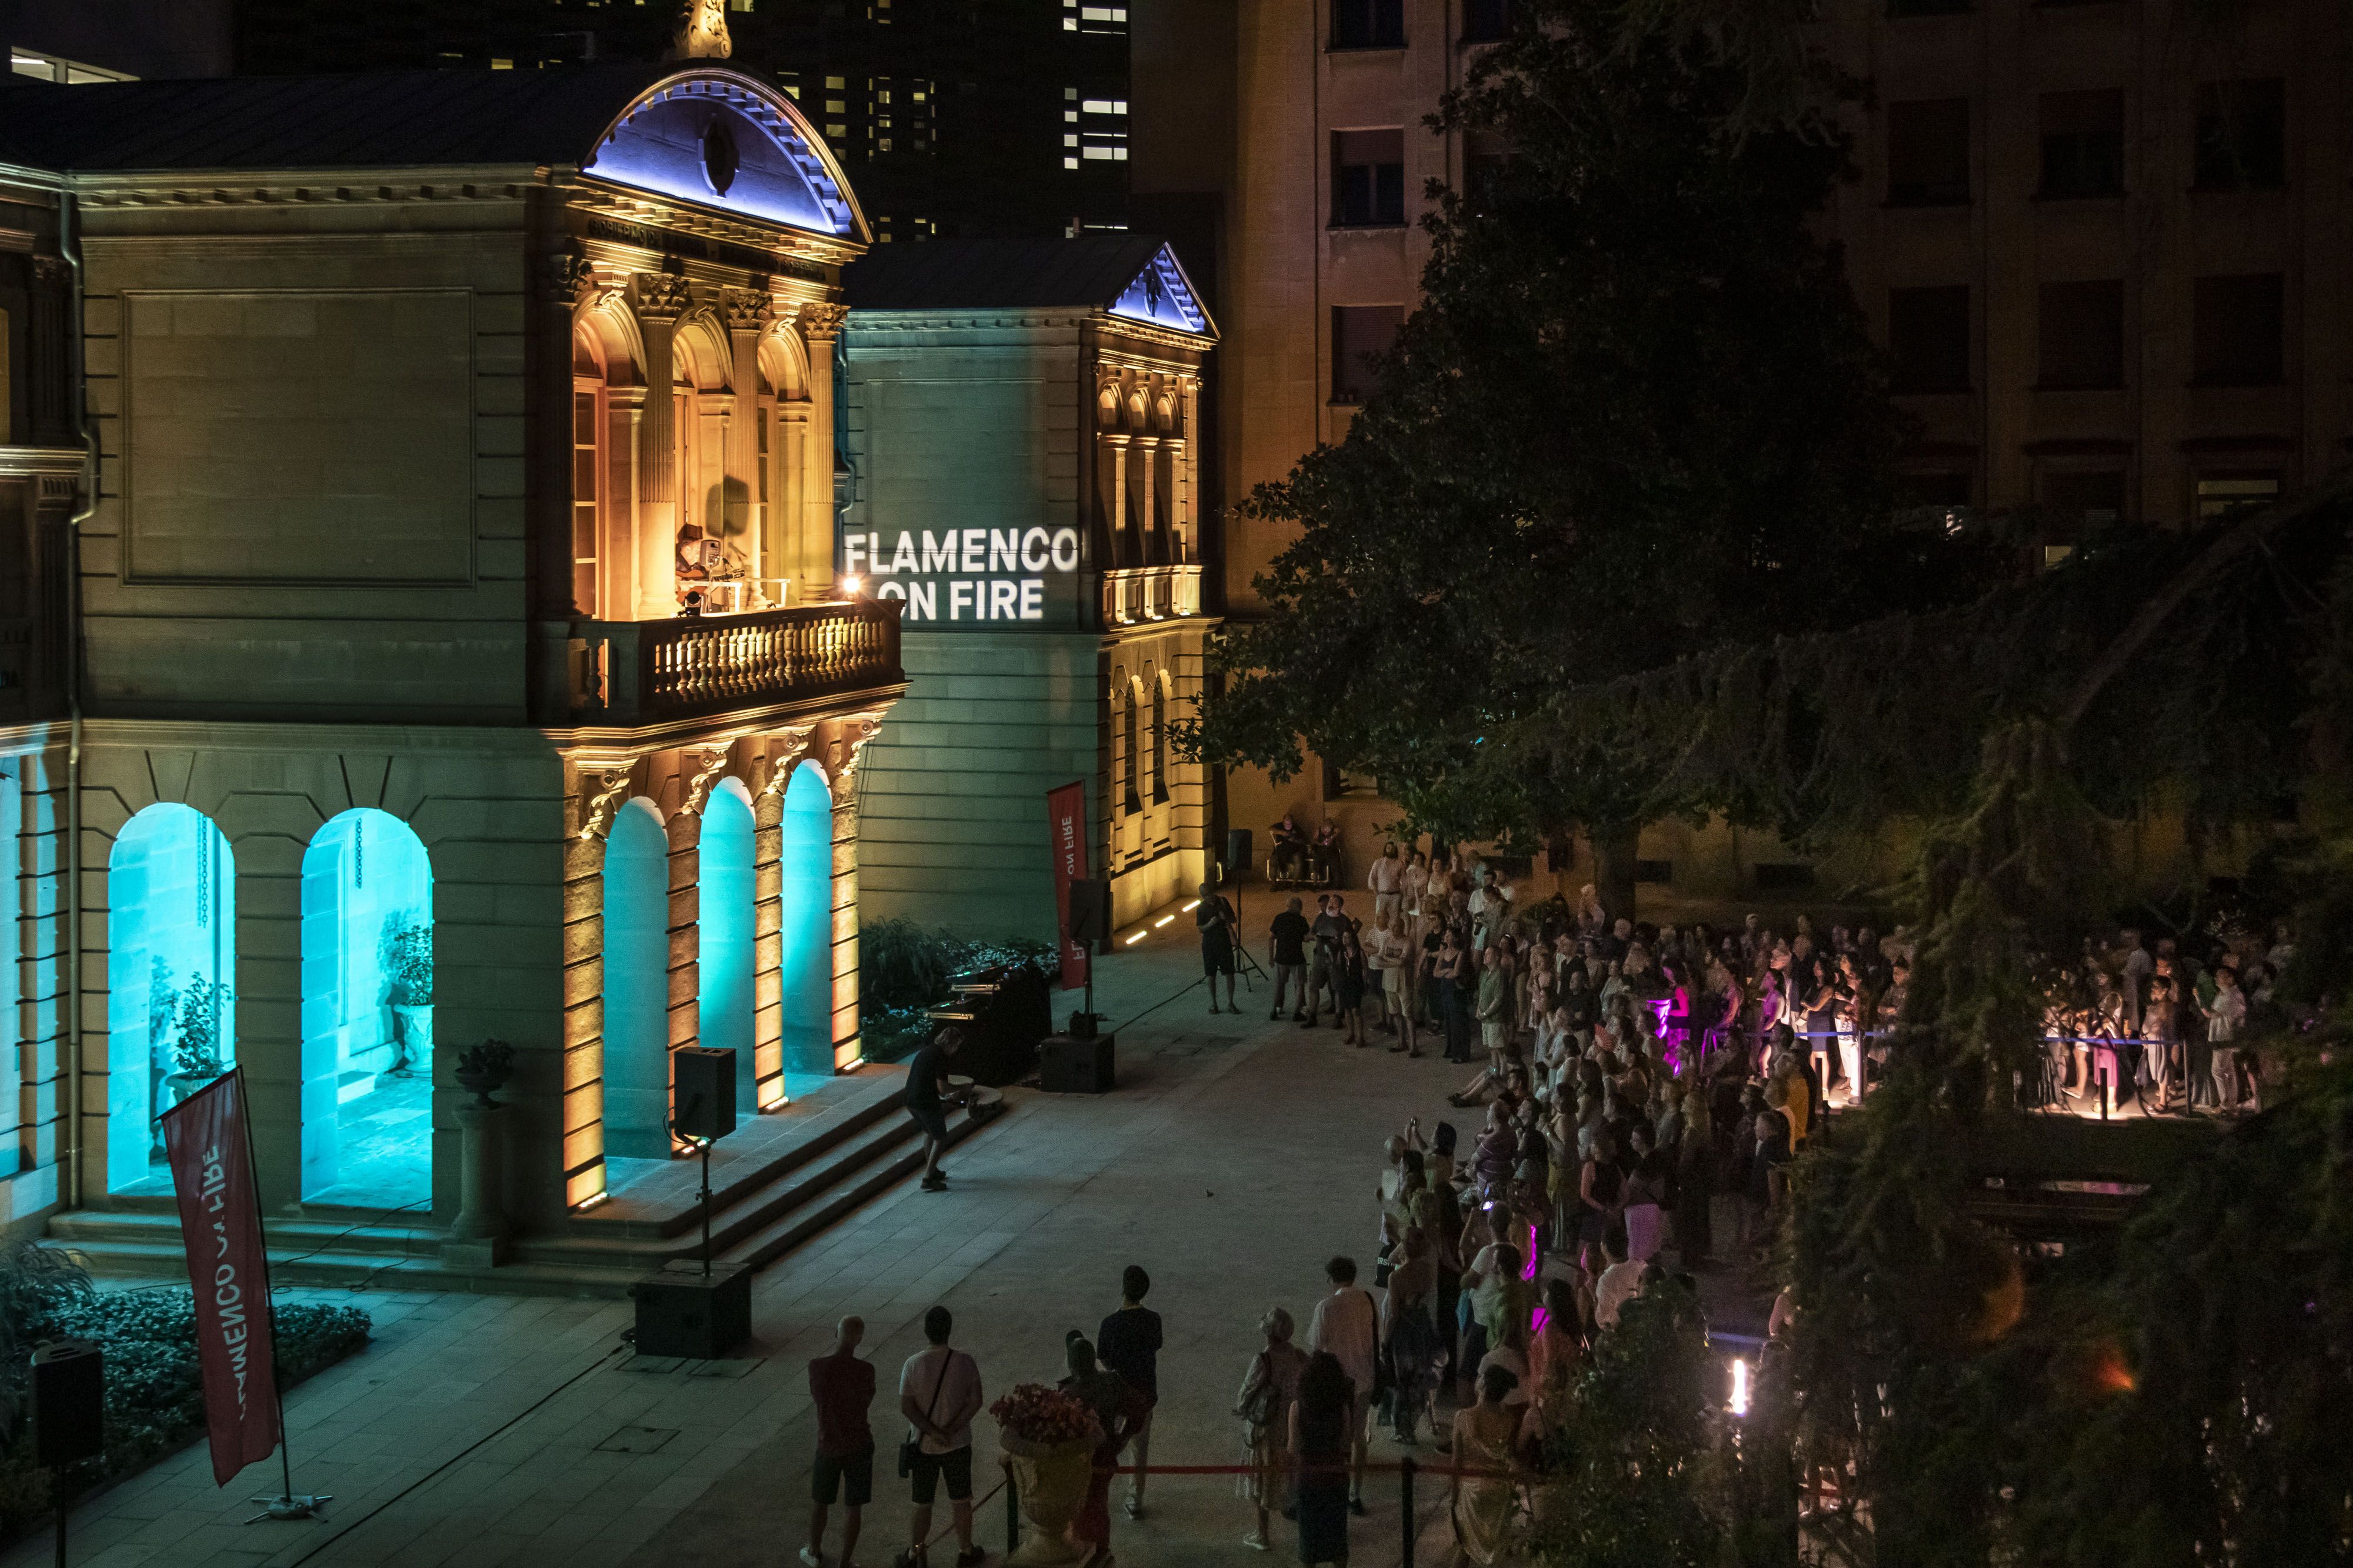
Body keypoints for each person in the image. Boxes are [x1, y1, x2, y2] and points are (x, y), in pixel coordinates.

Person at [896, 1306, 984, 1568]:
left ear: (926, 1331)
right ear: (949, 1330)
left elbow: (907, 1406)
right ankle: (965, 1551)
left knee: (922, 1503)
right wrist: (951, 1430)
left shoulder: (913, 1364)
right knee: (961, 1500)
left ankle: (915, 1553)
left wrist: (933, 1432)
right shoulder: (965, 1362)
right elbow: (976, 1401)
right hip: (959, 1444)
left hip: (924, 1445)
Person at [1305, 1256, 1379, 1514]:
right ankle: (1355, 1493)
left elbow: (1316, 1345)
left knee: (1336, 1438)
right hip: (1365, 1377)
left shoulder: (1326, 1307)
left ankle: (1335, 1488)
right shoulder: (1368, 1300)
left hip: (1336, 1382)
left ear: (1331, 1280)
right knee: (1358, 1436)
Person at [1237, 1307, 1310, 1552]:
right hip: (1290, 1424)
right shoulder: (1298, 1356)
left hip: (1266, 1427)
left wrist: (1241, 1409)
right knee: (1290, 1475)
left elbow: (1246, 1393)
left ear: (1268, 1334)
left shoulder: (1263, 1360)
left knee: (1262, 1479)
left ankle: (1262, 1534)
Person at [806, 1316, 875, 1568]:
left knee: (821, 1501)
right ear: (859, 1340)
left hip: (829, 1444)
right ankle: (845, 1562)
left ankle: (814, 1552)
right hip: (859, 1443)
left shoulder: (817, 1367)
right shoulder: (866, 1371)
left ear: (836, 1335)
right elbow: (866, 1401)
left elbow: (819, 1399)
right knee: (853, 1506)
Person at [1058, 1333, 1134, 1556]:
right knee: (1099, 1503)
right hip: (1106, 1456)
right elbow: (1136, 1411)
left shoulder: (1069, 1394)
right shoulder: (1112, 1382)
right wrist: (1121, 1439)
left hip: (1079, 1462)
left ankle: (1085, 1551)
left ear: (1072, 1365)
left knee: (1080, 1507)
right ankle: (1101, 1550)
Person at [1096, 1265, 1164, 1519]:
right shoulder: (1153, 1320)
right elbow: (1155, 1345)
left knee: (1108, 1447)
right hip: (1144, 1396)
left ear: (1123, 1288)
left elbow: (1103, 1358)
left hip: (1118, 1398)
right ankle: (1135, 1499)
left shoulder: (1109, 1324)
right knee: (1140, 1449)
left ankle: (1098, 1491)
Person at [1448, 1363, 1522, 1567]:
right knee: (1494, 1550)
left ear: (1483, 1385)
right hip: (1499, 1491)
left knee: (1464, 1546)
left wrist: (1454, 1496)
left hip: (1471, 1491)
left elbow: (1456, 1461)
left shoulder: (1464, 1417)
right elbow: (1509, 1456)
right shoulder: (1509, 1421)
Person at [1291, 1352, 1357, 1567]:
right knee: (1338, 1536)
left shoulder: (1297, 1408)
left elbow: (1293, 1447)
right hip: (1336, 1477)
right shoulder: (1342, 1408)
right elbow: (1346, 1443)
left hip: (1308, 1479)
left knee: (1309, 1539)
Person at [1381, 1226, 1440, 1445]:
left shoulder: (1397, 1277)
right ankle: (1417, 1420)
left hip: (1404, 1331)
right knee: (1419, 1375)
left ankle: (1403, 1429)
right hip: (1422, 1327)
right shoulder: (1427, 1271)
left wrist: (1385, 1340)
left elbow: (1394, 1314)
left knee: (1402, 1379)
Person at [905, 1027, 967, 1193]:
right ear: (950, 1043)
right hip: (926, 1102)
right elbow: (943, 1089)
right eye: (956, 1046)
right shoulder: (940, 1057)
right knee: (940, 1138)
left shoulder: (926, 1052)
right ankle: (928, 1178)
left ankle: (933, 1170)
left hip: (910, 1099)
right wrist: (962, 1088)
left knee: (929, 1133)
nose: (956, 1050)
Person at [1306, 895, 1350, 1028]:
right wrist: (1315, 937)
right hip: (1319, 957)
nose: (1331, 903)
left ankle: (1338, 1017)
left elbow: (1350, 940)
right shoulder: (1321, 917)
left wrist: (1338, 941)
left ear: (1340, 906)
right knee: (1313, 986)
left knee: (1337, 988)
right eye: (1330, 901)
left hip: (1335, 959)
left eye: (1334, 902)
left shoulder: (1344, 921)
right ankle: (1312, 1016)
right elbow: (1311, 933)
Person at [1197, 880, 1239, 1013]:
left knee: (1229, 973)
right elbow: (1201, 929)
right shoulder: (1201, 908)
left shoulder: (1222, 901)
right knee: (1211, 974)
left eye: (1209, 894)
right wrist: (1210, 924)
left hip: (1224, 942)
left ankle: (1231, 1003)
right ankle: (1214, 1004)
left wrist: (1225, 917)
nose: (1208, 897)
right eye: (1205, 895)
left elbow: (1233, 920)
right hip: (1209, 944)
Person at [1592, 1230, 1647, 1330]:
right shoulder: (1642, 1266)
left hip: (1623, 1332)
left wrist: (1594, 1297)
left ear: (1603, 1246)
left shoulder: (1606, 1280)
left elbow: (1604, 1323)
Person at [1270, 897, 1311, 1021]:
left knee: (1279, 985)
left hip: (1281, 957)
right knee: (1299, 985)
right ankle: (1297, 1012)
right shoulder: (1301, 920)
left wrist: (1271, 957)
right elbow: (1306, 937)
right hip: (1297, 957)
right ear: (1298, 907)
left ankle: (1274, 1010)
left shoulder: (1279, 918)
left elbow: (1271, 938)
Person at [1337, 928, 1369, 1047]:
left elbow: (1365, 969)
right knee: (1347, 1009)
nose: (1345, 939)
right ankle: (1351, 1034)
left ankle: (1360, 1037)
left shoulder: (1359, 952)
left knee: (1356, 1010)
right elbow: (1338, 966)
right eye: (1343, 937)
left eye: (1347, 937)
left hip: (1356, 984)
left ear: (1353, 939)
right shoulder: (1342, 952)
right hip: (1345, 983)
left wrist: (1365, 983)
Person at [1368, 841, 1404, 927]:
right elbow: (1372, 878)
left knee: (1394, 920)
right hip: (1382, 895)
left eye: (1392, 848)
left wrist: (1402, 894)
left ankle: (1392, 935)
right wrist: (1377, 893)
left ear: (1395, 850)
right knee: (1379, 919)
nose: (1390, 850)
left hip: (1395, 895)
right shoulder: (1378, 863)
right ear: (1385, 849)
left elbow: (1404, 880)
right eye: (1388, 848)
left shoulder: (1400, 863)